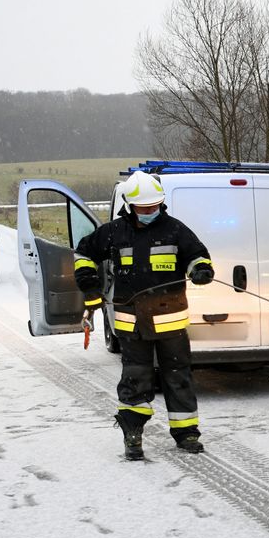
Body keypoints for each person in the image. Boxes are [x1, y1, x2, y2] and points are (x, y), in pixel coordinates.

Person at [72, 170, 215, 461]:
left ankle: (186, 433)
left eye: (154, 206)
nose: (150, 211)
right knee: (136, 378)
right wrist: (89, 287)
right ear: (130, 205)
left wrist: (201, 270)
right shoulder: (113, 232)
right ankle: (133, 434)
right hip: (132, 322)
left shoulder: (175, 230)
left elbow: (197, 255)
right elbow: (84, 254)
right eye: (144, 207)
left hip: (171, 320)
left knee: (178, 377)